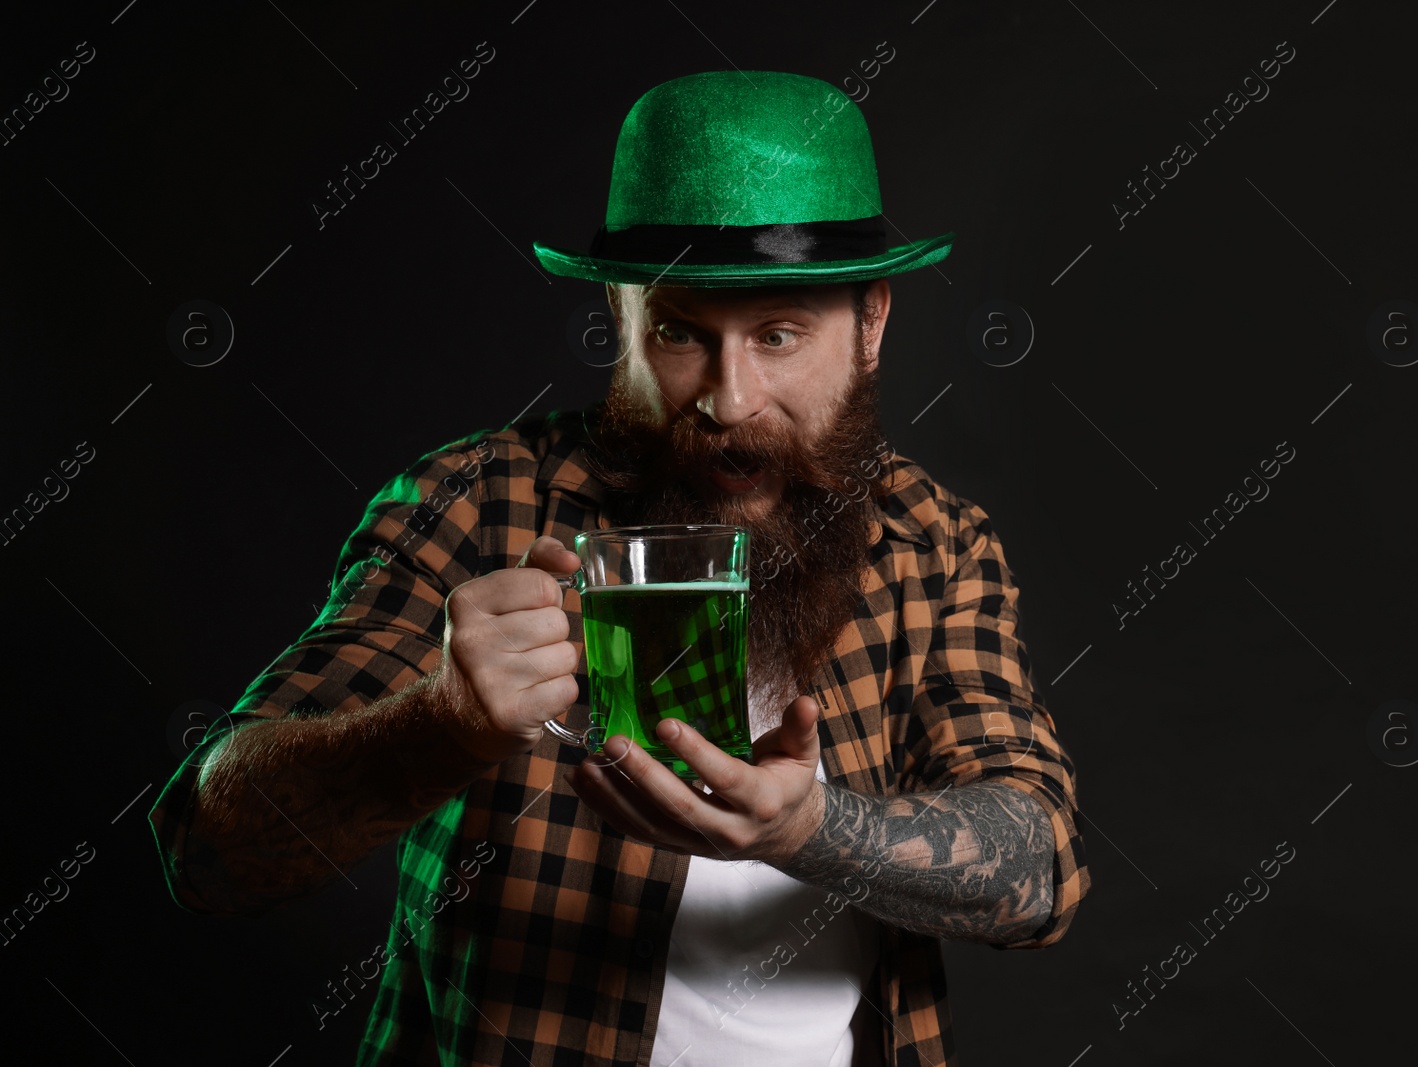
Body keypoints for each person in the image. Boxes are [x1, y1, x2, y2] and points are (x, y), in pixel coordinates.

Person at [149, 69, 1089, 1066]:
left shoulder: (934, 543)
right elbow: (211, 849)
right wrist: (441, 723)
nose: (730, 401)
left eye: (778, 335)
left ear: (870, 323)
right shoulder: (471, 503)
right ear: (623, 314)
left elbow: (1040, 867)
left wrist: (809, 827)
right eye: (681, 332)